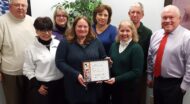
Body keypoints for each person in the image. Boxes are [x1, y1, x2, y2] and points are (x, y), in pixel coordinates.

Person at [55, 16, 107, 104]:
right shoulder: (65, 42)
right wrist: (76, 74)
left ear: (89, 28)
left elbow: (103, 57)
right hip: (73, 86)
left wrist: (105, 66)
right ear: (74, 27)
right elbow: (59, 62)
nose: (82, 29)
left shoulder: (96, 41)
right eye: (79, 26)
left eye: (85, 26)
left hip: (93, 88)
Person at [147, 5, 190, 104]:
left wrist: (183, 86)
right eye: (164, 17)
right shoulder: (156, 35)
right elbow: (150, 57)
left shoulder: (187, 37)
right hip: (157, 81)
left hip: (175, 85)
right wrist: (149, 76)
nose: (167, 20)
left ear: (179, 19)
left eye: (171, 17)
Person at [0, 0, 36, 104]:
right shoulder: (1, 22)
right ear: (10, 7)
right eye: (17, 5)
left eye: (23, 5)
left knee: (32, 101)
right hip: (11, 74)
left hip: (32, 72)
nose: (20, 7)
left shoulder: (33, 21)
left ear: (27, 7)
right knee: (14, 101)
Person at [23, 17, 64, 104]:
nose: (46, 33)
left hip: (60, 83)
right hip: (43, 86)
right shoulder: (30, 48)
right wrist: (37, 86)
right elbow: (28, 69)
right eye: (42, 30)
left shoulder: (58, 43)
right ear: (36, 31)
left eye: (49, 30)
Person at [105, 20, 144, 104]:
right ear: (118, 32)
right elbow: (114, 64)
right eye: (122, 30)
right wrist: (109, 64)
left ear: (132, 32)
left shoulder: (136, 48)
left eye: (127, 31)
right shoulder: (114, 45)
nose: (124, 33)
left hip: (129, 90)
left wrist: (116, 79)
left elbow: (137, 72)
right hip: (115, 88)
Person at [128, 2, 152, 104]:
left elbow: (149, 55)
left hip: (139, 75)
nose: (135, 14)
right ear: (129, 13)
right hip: (123, 72)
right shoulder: (123, 29)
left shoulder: (148, 32)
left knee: (138, 99)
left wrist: (149, 75)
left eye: (138, 12)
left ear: (142, 15)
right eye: (132, 12)